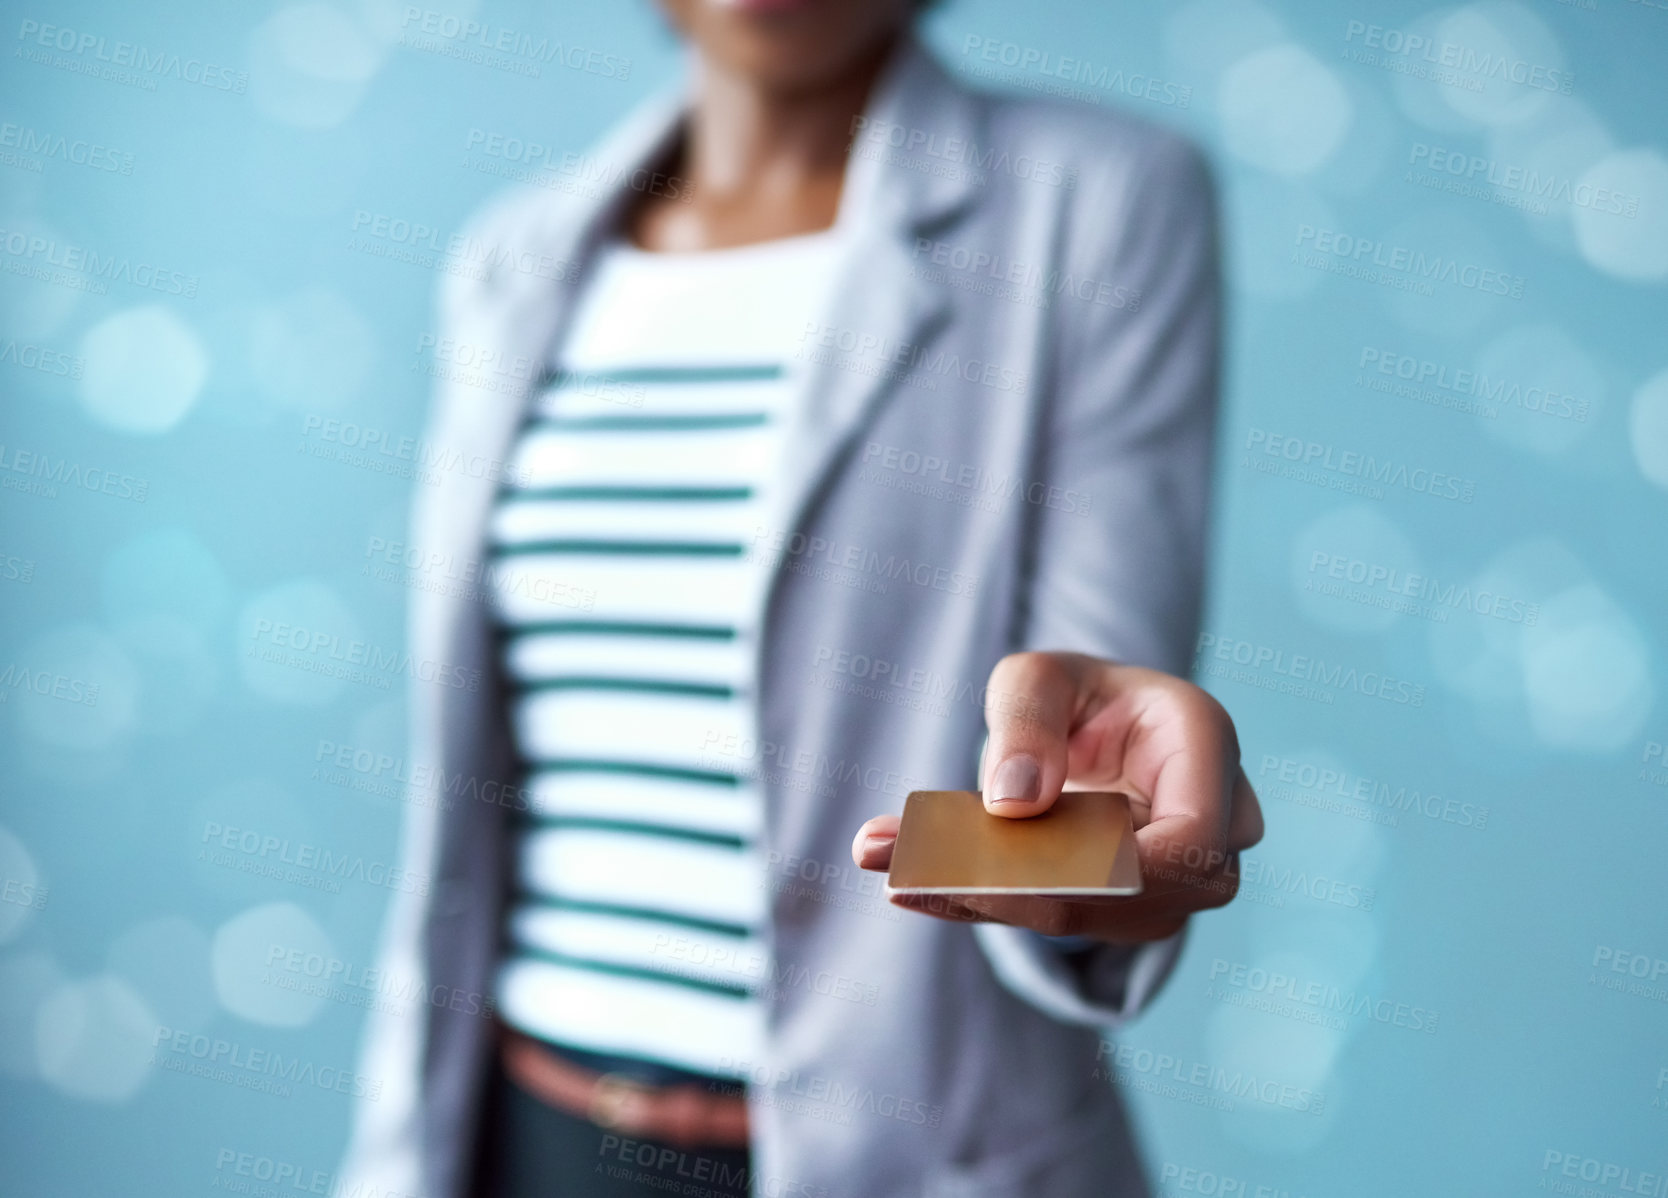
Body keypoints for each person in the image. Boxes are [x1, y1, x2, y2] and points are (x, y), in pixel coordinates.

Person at [340, 2, 1263, 1195]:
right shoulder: (508, 261)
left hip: (901, 1158)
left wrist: (1109, 862)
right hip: (522, 1138)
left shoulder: (1101, 199)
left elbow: (1092, 792)